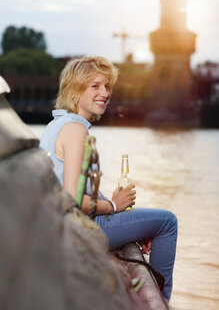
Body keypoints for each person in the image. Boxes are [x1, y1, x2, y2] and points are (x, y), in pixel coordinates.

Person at [40, 56, 177, 301]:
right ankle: (164, 302)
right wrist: (115, 206)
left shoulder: (55, 125)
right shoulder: (76, 130)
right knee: (167, 222)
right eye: (95, 86)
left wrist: (133, 226)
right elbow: (72, 200)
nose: (105, 93)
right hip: (78, 230)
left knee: (153, 222)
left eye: (107, 87)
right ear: (75, 90)